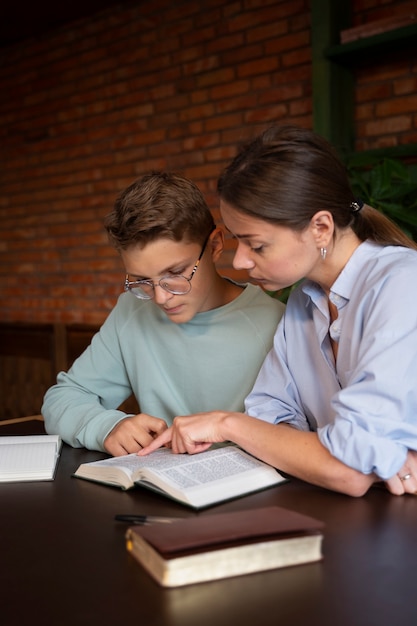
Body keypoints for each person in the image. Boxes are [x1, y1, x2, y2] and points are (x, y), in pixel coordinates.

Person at [139, 126, 417, 498]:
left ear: (320, 228)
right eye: (239, 242)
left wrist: (226, 424)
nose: (239, 261)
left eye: (257, 245)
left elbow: (346, 472)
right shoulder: (304, 300)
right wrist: (352, 454)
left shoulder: (401, 284)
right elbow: (269, 413)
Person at [42, 171, 285, 455]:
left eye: (176, 273)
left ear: (215, 246)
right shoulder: (132, 311)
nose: (160, 297)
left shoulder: (276, 323)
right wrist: (105, 426)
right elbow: (62, 399)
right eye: (142, 280)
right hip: (160, 488)